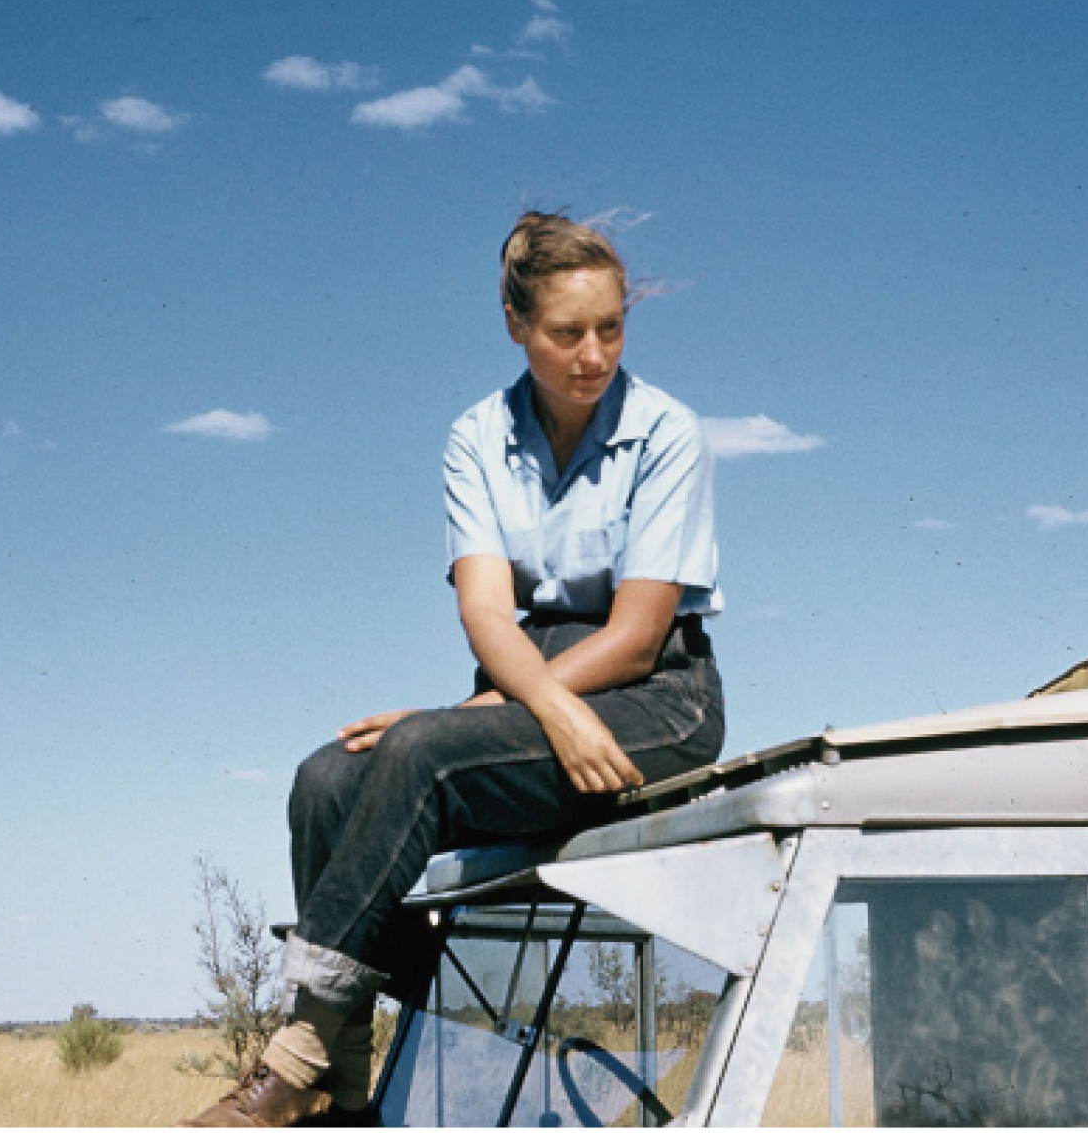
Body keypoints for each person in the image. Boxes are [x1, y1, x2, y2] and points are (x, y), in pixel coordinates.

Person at [180, 212, 726, 1127]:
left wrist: (493, 712)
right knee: (325, 779)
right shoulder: (477, 436)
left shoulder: (667, 431)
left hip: (655, 696)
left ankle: (296, 1053)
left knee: (422, 752)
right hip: (534, 685)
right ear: (516, 325)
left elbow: (636, 633)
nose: (593, 354)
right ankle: (345, 1097)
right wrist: (518, 705)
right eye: (566, 333)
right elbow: (485, 611)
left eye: (612, 328)